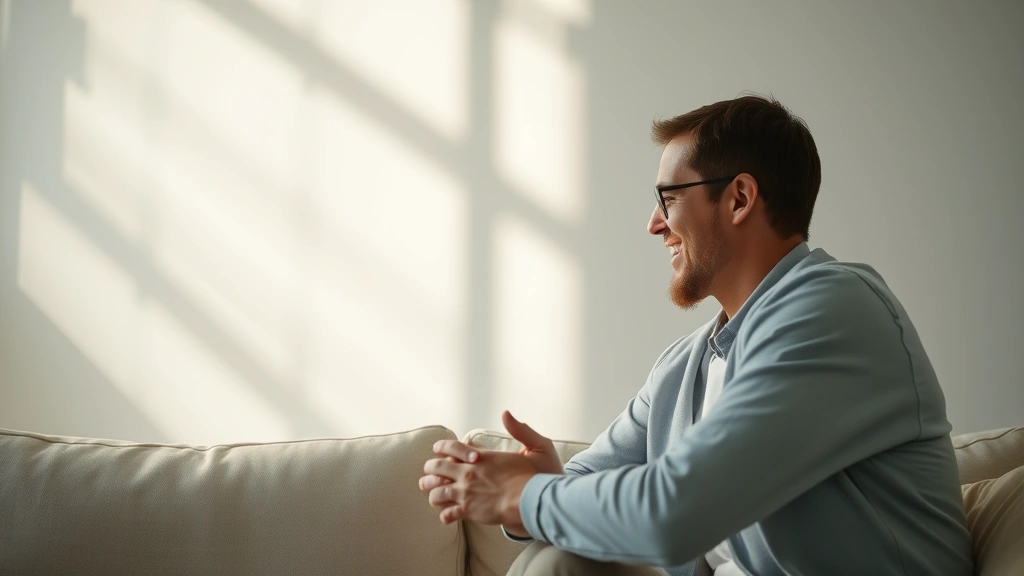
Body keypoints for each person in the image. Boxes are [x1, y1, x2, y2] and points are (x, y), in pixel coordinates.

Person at [419, 95, 974, 575]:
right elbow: (582, 487)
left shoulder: (832, 312)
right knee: (555, 558)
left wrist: (525, 495)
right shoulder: (684, 367)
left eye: (669, 198)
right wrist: (541, 485)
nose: (654, 224)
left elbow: (672, 515)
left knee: (561, 565)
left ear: (738, 198)